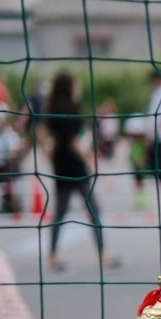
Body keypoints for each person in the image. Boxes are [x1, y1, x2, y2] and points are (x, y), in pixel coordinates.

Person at [44, 71, 120, 271]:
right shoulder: (70, 109)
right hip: (75, 166)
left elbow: (51, 139)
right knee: (94, 209)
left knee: (60, 212)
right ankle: (103, 253)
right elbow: (74, 140)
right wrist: (91, 162)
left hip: (61, 164)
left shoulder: (52, 109)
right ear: (69, 87)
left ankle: (52, 255)